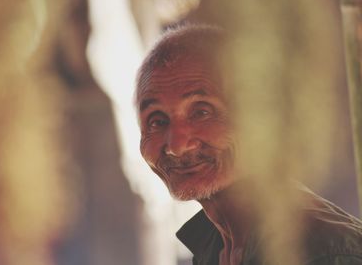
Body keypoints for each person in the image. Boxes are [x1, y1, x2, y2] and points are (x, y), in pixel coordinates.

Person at [135, 24, 362, 265]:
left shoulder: (319, 253)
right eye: (157, 121)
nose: (177, 145)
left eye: (202, 112)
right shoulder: (216, 245)